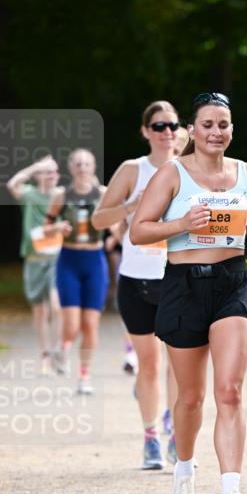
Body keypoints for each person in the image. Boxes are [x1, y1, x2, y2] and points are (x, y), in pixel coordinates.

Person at [131, 91, 247, 494]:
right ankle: (185, 475)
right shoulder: (174, 174)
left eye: (224, 124)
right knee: (190, 399)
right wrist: (180, 224)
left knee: (229, 390)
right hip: (183, 285)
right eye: (207, 124)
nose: (216, 132)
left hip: (232, 283)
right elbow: (139, 230)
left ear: (232, 129)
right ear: (191, 131)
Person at [92, 100, 182, 469]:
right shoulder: (133, 169)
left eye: (173, 125)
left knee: (178, 365)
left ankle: (177, 431)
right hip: (136, 279)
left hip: (177, 277)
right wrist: (131, 206)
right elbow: (99, 220)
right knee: (148, 365)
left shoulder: (188, 168)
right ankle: (150, 438)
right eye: (158, 126)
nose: (167, 132)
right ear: (145, 131)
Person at [44, 148, 108, 394]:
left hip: (94, 259)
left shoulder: (102, 194)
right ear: (71, 168)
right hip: (69, 259)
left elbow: (115, 223)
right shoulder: (62, 195)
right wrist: (58, 226)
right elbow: (45, 228)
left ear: (93, 167)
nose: (82, 168)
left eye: (87, 164)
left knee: (91, 324)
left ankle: (84, 376)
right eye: (78, 164)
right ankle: (63, 346)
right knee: (71, 322)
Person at [6, 155, 65, 375]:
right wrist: (34, 167)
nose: (52, 175)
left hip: (57, 259)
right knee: (39, 311)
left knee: (57, 306)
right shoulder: (29, 194)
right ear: (39, 175)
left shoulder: (61, 196)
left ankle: (59, 350)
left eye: (55, 171)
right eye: (47, 171)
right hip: (34, 259)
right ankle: (45, 356)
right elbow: (12, 184)